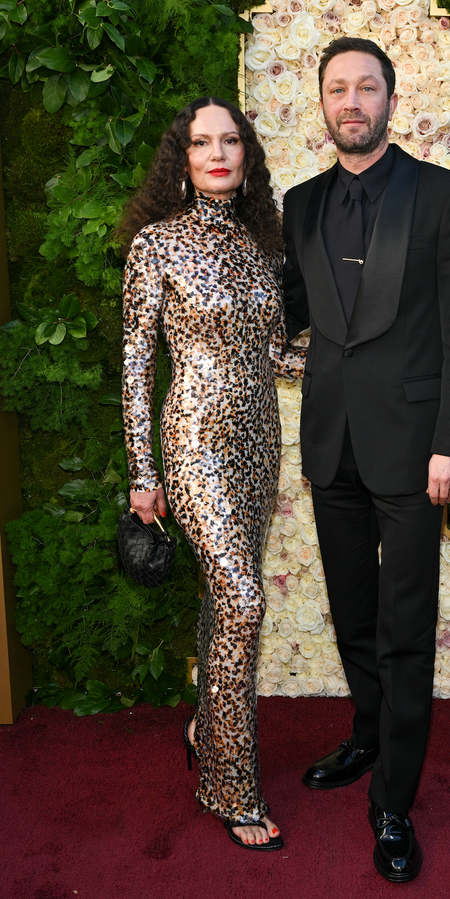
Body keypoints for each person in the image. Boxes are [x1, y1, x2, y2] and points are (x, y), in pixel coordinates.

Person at [282, 38, 450, 882]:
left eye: (367, 86)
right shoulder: (300, 204)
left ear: (392, 101)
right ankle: (367, 735)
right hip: (330, 443)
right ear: (322, 105)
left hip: (415, 451)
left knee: (406, 628)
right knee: (354, 613)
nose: (352, 101)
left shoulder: (444, 196)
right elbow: (292, 309)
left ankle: (394, 799)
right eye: (338, 88)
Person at [120, 96, 305, 850]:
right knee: (244, 599)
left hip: (260, 441)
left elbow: (279, 355)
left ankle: (207, 722)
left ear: (247, 156)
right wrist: (143, 471)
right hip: (193, 439)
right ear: (183, 158)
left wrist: (359, 346)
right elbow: (136, 365)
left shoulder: (268, 248)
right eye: (202, 143)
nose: (218, 154)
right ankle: (229, 786)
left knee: (223, 597)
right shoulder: (156, 245)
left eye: (231, 141)